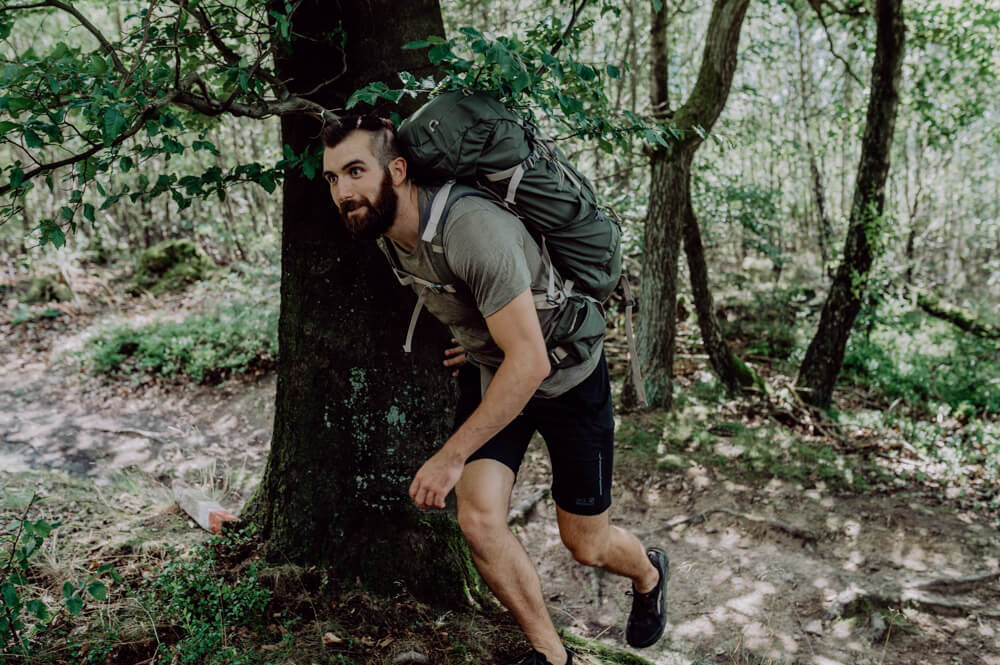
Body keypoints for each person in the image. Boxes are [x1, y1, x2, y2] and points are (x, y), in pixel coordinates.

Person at [321, 114, 668, 664]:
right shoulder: (389, 235)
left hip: (567, 378)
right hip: (495, 372)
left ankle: (649, 575)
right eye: (333, 178)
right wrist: (483, 337)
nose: (343, 191)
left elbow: (530, 364)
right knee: (479, 520)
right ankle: (552, 656)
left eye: (355, 171)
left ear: (399, 170)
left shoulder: (472, 229)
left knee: (587, 544)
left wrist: (449, 457)